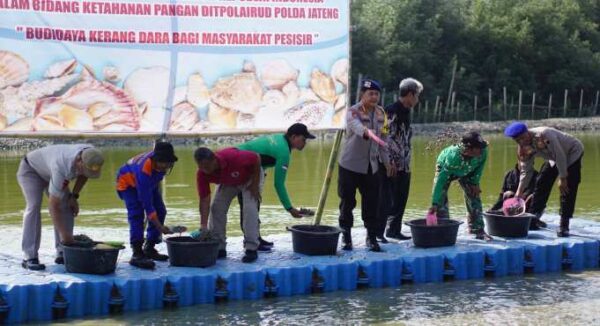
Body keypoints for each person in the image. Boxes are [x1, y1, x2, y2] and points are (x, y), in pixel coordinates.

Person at [17, 144, 104, 270]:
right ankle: (30, 256)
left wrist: (74, 196)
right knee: (34, 206)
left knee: (67, 205)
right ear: (79, 161)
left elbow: (85, 175)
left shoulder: (92, 154)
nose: (87, 172)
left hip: (50, 172)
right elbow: (53, 206)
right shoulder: (62, 165)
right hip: (31, 170)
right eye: (84, 168)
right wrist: (66, 236)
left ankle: (62, 252)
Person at [236, 123, 314, 251]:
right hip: (242, 165)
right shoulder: (283, 152)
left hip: (241, 160)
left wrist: (262, 173)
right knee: (249, 206)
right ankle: (251, 241)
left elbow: (263, 155)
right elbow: (278, 184)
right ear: (294, 137)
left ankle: (255, 238)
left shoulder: (280, 140)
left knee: (253, 205)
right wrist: (290, 208)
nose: (305, 143)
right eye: (303, 139)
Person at [338, 78, 392, 252]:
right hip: (350, 165)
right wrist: (368, 132)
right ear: (363, 94)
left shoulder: (381, 114)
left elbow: (384, 139)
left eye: (377, 94)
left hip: (371, 166)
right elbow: (356, 127)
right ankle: (346, 236)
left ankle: (371, 237)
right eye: (371, 93)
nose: (374, 97)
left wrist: (387, 161)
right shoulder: (352, 112)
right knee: (347, 202)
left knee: (371, 203)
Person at [504, 122, 584, 237]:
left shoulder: (545, 134)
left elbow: (560, 155)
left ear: (527, 132)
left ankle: (564, 225)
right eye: (517, 140)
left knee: (567, 188)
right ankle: (533, 218)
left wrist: (563, 177)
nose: (521, 142)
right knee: (541, 182)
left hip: (572, 153)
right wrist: (519, 192)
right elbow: (526, 170)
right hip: (553, 157)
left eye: (522, 138)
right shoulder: (522, 148)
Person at [116, 141, 177, 269]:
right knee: (137, 214)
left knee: (161, 210)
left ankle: (150, 246)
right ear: (156, 160)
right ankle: (137, 252)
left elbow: (154, 204)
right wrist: (160, 227)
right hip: (128, 184)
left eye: (169, 164)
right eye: (165, 163)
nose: (166, 167)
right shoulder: (143, 171)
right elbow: (148, 207)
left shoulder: (161, 166)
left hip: (149, 182)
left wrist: (158, 224)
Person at [195, 147, 262, 263]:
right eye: (201, 167)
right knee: (216, 208)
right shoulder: (201, 173)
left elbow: (257, 157)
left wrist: (255, 184)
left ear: (214, 160)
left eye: (207, 167)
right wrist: (203, 225)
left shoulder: (234, 157)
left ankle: (251, 248)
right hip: (228, 181)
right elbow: (204, 200)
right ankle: (219, 246)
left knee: (249, 209)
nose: (204, 170)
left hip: (249, 177)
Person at [377, 78, 423, 242]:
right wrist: (389, 161)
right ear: (410, 94)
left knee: (401, 198)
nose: (417, 100)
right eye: (417, 96)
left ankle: (394, 230)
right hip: (390, 164)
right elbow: (385, 138)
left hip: (404, 163)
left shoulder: (406, 112)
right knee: (385, 199)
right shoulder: (390, 112)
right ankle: (378, 232)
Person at [429, 131, 492, 241]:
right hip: (446, 170)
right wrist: (434, 202)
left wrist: (475, 183)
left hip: (468, 170)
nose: (482, 150)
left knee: (474, 196)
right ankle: (443, 229)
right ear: (468, 148)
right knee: (440, 201)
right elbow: (441, 181)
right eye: (478, 148)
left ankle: (477, 229)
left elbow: (479, 168)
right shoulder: (452, 157)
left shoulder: (482, 152)